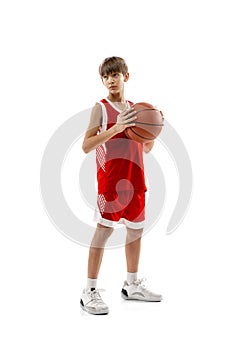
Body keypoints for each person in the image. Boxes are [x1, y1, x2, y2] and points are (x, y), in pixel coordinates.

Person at [80, 56, 162, 315]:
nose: (110, 80)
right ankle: (89, 290)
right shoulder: (101, 108)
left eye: (115, 75)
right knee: (103, 232)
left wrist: (154, 130)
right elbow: (86, 146)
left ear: (126, 76)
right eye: (106, 76)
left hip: (136, 180)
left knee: (135, 232)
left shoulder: (138, 109)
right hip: (111, 182)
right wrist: (117, 127)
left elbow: (145, 147)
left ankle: (132, 284)